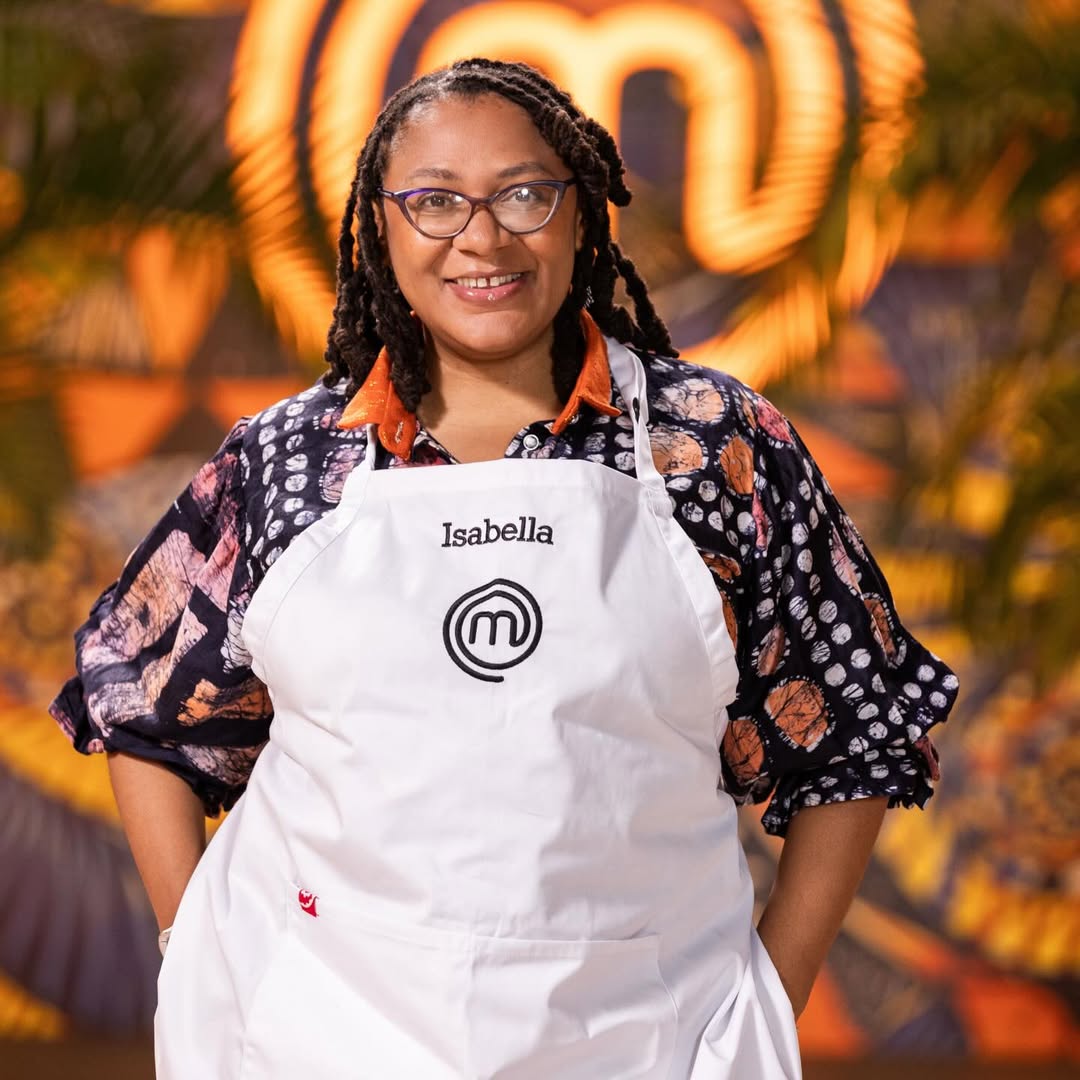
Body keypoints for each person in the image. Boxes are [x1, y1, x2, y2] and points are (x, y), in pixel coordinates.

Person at [51, 58, 958, 1079]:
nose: (482, 239)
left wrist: (769, 1000)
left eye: (525, 194)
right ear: (381, 226)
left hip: (647, 1046)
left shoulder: (713, 447)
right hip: (315, 1040)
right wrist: (196, 953)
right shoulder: (283, 464)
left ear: (581, 214)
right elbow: (144, 710)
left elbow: (850, 737)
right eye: (435, 201)